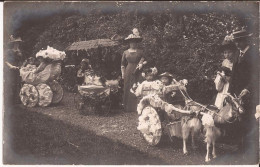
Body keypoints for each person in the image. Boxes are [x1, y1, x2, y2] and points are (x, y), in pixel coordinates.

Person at [229, 29, 258, 160]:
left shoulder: (254, 54)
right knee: (238, 119)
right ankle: (240, 147)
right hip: (236, 93)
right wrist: (229, 92)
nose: (236, 44)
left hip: (250, 93)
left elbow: (256, 76)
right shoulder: (237, 54)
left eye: (238, 41)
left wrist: (248, 89)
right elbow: (233, 74)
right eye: (235, 41)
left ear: (244, 40)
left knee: (249, 120)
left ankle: (250, 150)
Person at [121, 28, 145, 112]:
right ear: (129, 43)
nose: (132, 44)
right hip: (128, 70)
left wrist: (142, 63)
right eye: (131, 42)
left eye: (134, 42)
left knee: (138, 86)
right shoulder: (125, 52)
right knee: (128, 86)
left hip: (138, 70)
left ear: (136, 43)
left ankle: (139, 106)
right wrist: (123, 74)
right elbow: (123, 64)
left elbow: (145, 59)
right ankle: (128, 107)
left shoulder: (140, 51)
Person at [214, 35, 237, 109]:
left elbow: (236, 76)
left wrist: (228, 78)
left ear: (233, 52)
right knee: (219, 103)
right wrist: (221, 76)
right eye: (225, 53)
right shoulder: (224, 62)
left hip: (232, 86)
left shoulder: (236, 62)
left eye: (229, 52)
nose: (227, 55)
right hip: (223, 86)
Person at [4, 35, 23, 106]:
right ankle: (9, 101)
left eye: (18, 43)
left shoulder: (19, 52)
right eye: (16, 43)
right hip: (10, 69)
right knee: (10, 84)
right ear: (13, 44)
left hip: (17, 69)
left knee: (17, 83)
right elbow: (5, 61)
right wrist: (11, 66)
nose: (17, 44)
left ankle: (16, 100)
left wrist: (21, 66)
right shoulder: (8, 51)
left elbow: (20, 61)